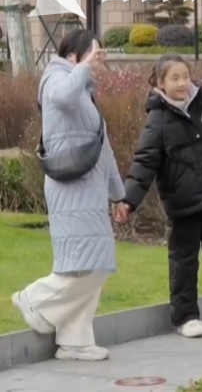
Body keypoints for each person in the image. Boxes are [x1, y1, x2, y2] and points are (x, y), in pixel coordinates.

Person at [115, 54, 202, 338]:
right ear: (160, 83)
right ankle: (186, 317)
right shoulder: (158, 120)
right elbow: (144, 162)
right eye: (174, 78)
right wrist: (128, 200)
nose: (181, 83)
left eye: (185, 76)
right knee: (184, 262)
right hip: (183, 201)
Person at [11, 29, 124, 361]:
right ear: (74, 55)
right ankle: (35, 299)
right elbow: (61, 98)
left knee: (84, 265)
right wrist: (85, 69)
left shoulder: (83, 91)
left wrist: (119, 195)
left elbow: (103, 149)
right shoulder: (55, 78)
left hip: (88, 189)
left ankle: (75, 340)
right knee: (92, 264)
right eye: (94, 54)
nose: (98, 62)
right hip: (71, 188)